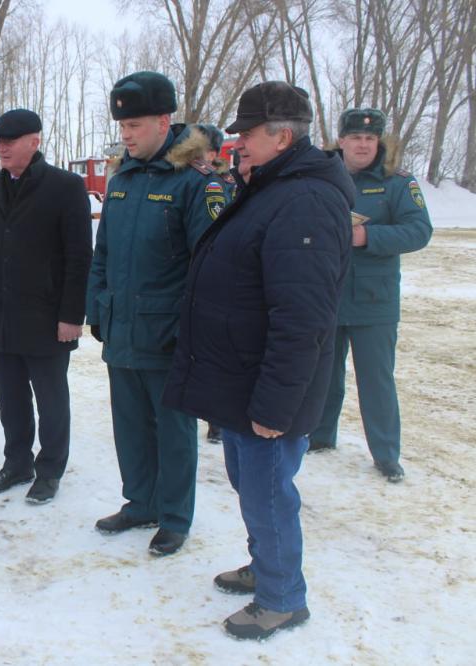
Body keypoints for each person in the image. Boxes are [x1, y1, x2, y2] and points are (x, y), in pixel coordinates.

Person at [162, 82, 353, 640]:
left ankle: (282, 598)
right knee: (251, 485)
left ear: (283, 136)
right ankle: (265, 567)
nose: (237, 143)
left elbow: (302, 317)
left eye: (247, 134)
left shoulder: (306, 200)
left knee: (269, 494)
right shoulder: (273, 185)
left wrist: (274, 404)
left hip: (268, 390)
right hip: (241, 379)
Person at [85, 72, 224, 556]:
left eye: (136, 124)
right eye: (122, 124)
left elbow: (209, 269)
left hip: (168, 334)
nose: (126, 133)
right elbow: (102, 253)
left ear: (165, 122)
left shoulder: (195, 182)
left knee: (173, 430)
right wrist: (95, 307)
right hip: (121, 326)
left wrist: (191, 333)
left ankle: (174, 516)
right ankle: (140, 501)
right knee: (129, 425)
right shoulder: (122, 176)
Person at [0, 108, 92, 504]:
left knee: (51, 400)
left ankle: (49, 469)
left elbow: (78, 256)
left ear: (34, 141)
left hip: (47, 316)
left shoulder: (66, 186)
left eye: (11, 141)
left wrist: (72, 315)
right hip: (3, 315)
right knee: (11, 397)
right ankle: (16, 462)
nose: (2, 147)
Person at [308, 108, 432, 482]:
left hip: (374, 303)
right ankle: (319, 436)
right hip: (328, 295)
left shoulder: (397, 182)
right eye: (355, 138)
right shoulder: (322, 176)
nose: (363, 145)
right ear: (341, 140)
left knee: (376, 381)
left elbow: (419, 231)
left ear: (378, 143)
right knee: (323, 374)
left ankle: (386, 453)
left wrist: (368, 237)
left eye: (370, 139)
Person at [192, 122, 235, 445]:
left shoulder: (226, 183)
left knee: (220, 359)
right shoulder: (192, 182)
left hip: (225, 279)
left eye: (204, 151)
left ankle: (218, 419)